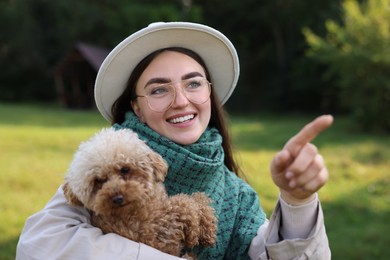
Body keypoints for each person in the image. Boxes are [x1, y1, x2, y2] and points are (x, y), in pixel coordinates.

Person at [17, 22, 332, 259]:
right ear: (136, 108)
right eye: (158, 89)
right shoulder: (104, 161)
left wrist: (297, 199)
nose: (181, 100)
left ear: (209, 92)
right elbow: (40, 245)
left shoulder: (237, 197)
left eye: (193, 83)